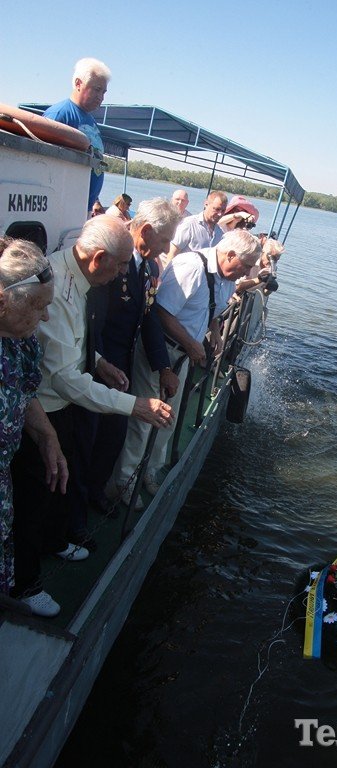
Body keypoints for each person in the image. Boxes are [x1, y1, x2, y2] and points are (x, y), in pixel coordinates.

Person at [10, 217, 174, 616]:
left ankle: (54, 541)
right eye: (120, 266)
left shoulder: (73, 278)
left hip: (60, 408)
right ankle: (23, 584)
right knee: (32, 497)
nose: (123, 274)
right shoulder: (61, 292)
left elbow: (71, 344)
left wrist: (98, 362)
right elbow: (65, 378)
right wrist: (134, 404)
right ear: (99, 258)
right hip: (42, 410)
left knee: (58, 484)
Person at [112, 229, 261, 507]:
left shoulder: (226, 276)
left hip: (183, 355)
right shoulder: (191, 267)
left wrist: (215, 329)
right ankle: (124, 481)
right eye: (243, 266)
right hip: (161, 351)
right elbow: (159, 313)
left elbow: (211, 310)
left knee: (170, 416)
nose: (245, 273)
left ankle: (151, 470)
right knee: (145, 419)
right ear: (229, 255)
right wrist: (191, 344)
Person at [87, 198, 181, 513]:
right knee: (91, 441)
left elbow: (147, 317)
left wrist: (164, 367)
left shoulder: (143, 266)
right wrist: (99, 362)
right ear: (148, 230)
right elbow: (94, 320)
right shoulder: (117, 257)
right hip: (99, 369)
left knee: (112, 438)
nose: (167, 249)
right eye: (166, 240)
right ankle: (77, 514)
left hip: (120, 369)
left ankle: (95, 495)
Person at [0, 238, 68, 616]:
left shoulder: (20, 343)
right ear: (4, 299)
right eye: (38, 307)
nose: (44, 318)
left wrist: (47, 436)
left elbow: (24, 393)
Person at [43, 58, 111, 215]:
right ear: (79, 84)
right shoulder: (60, 114)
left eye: (104, 92)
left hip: (84, 207)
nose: (101, 97)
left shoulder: (90, 120)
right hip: (62, 208)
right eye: (97, 89)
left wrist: (96, 200)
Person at [162, 191, 228, 270]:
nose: (220, 214)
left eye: (223, 211)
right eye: (216, 209)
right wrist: (165, 278)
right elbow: (172, 253)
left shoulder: (220, 234)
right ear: (206, 204)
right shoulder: (189, 224)